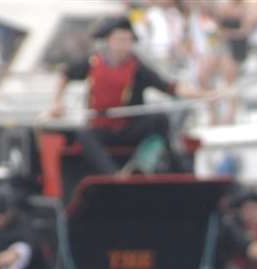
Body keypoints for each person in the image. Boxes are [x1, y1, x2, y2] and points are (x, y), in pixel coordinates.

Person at [49, 15, 194, 176]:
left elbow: (170, 88)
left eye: (128, 40)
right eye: (120, 40)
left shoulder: (137, 67)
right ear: (109, 41)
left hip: (128, 128)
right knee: (84, 134)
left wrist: (204, 94)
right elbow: (65, 75)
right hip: (102, 128)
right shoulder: (93, 62)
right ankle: (113, 174)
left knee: (160, 119)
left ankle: (153, 165)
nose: (124, 45)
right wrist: (57, 102)